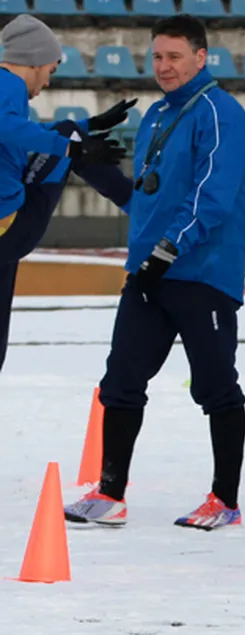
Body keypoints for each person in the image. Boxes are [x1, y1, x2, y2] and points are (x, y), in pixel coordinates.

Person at [62, 15, 245, 532]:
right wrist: (86, 162)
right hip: (148, 275)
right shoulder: (154, 116)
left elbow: (211, 199)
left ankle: (225, 500)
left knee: (216, 386)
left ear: (201, 56)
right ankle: (110, 493)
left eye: (174, 56)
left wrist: (167, 252)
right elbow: (143, 199)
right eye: (157, 57)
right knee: (120, 382)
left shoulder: (221, 113)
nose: (164, 66)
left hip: (201, 273)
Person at [0, 14, 130, 375]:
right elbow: (7, 126)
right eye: (51, 69)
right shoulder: (7, 84)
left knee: (69, 131)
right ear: (37, 60)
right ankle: (138, 203)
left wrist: (92, 126)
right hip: (12, 224)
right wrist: (76, 147)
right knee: (67, 134)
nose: (47, 80)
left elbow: (22, 130)